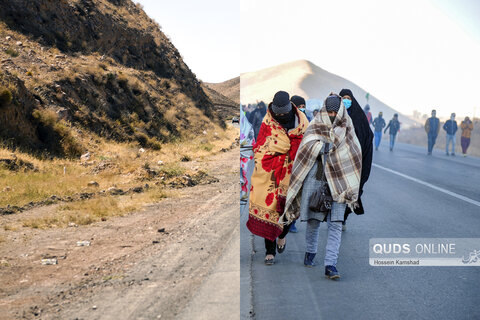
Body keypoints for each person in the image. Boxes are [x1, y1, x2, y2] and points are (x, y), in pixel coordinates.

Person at [283, 93, 362, 279]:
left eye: (336, 111)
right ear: (325, 111)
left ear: (341, 111)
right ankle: (310, 252)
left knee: (335, 223)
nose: (333, 115)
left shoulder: (348, 128)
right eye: (330, 111)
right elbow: (307, 146)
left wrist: (333, 151)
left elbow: (354, 154)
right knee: (313, 221)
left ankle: (330, 265)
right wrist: (323, 148)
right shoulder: (315, 125)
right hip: (317, 179)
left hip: (340, 184)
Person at [246, 91, 308, 265]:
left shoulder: (302, 122)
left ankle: (282, 235)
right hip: (271, 174)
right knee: (271, 210)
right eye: (278, 113)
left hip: (293, 173)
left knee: (288, 209)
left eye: (284, 113)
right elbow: (260, 148)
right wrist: (277, 157)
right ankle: (269, 251)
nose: (281, 116)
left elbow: (307, 146)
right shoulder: (268, 121)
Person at [339, 89, 373, 232]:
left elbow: (368, 136)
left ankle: (343, 217)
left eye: (348, 98)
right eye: (343, 98)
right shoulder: (336, 116)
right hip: (339, 163)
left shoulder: (359, 117)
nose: (346, 100)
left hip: (356, 164)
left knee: (354, 193)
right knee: (338, 193)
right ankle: (337, 219)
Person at [289, 94, 308, 233]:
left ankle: (292, 221)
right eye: (299, 106)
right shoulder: (286, 121)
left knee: (297, 195)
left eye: (303, 107)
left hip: (301, 164)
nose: (302, 109)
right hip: (287, 164)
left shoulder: (308, 122)